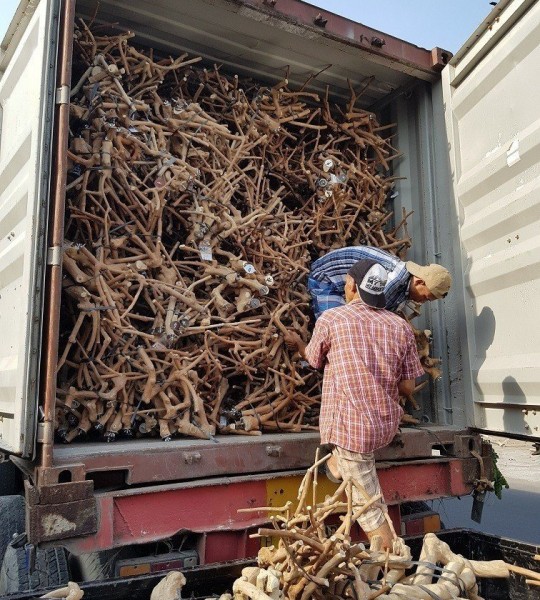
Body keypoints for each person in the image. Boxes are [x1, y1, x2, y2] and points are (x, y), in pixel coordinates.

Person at [286, 259, 424, 549]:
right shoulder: (400, 326)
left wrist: (298, 342)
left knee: (372, 513)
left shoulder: (332, 320)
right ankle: (336, 466)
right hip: (384, 426)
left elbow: (313, 360)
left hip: (353, 433)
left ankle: (390, 562)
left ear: (350, 286)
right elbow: (408, 386)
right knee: (348, 465)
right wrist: (378, 376)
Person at [308, 245, 452, 318]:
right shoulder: (393, 279)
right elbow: (361, 313)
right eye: (426, 297)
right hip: (326, 280)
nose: (422, 302)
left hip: (346, 290)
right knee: (335, 326)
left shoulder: (405, 290)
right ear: (419, 282)